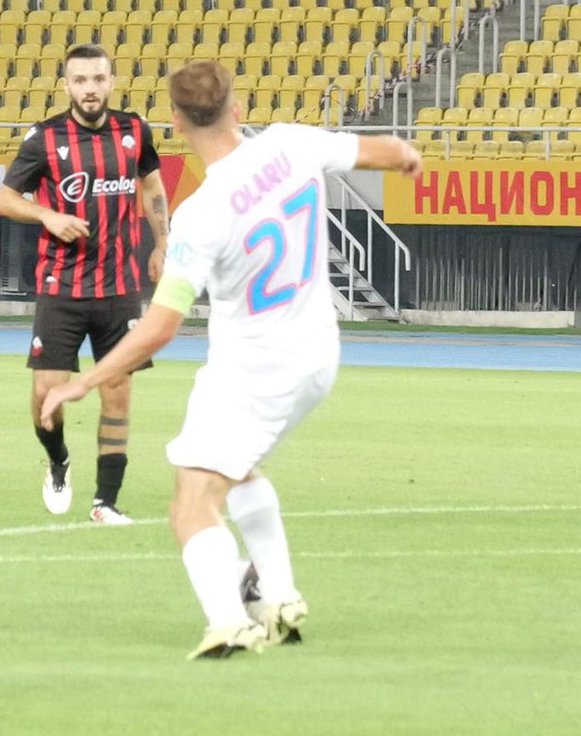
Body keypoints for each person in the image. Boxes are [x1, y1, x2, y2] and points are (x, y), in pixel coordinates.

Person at [40, 60, 422, 659]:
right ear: (236, 108)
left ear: (174, 124)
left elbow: (161, 327)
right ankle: (279, 597)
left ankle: (228, 622)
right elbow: (383, 151)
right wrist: (404, 154)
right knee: (237, 469)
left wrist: (84, 380)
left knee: (191, 500)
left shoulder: (200, 215)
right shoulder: (293, 144)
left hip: (253, 370)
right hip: (319, 354)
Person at [0, 44, 171, 525]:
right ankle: (58, 460)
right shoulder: (44, 138)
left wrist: (162, 243)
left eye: (98, 79)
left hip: (119, 288)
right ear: (67, 85)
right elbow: (6, 198)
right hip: (61, 288)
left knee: (117, 394)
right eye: (80, 80)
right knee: (46, 398)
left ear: (111, 81)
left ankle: (105, 502)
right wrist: (47, 215)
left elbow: (152, 187)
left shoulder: (134, 130)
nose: (90, 89)